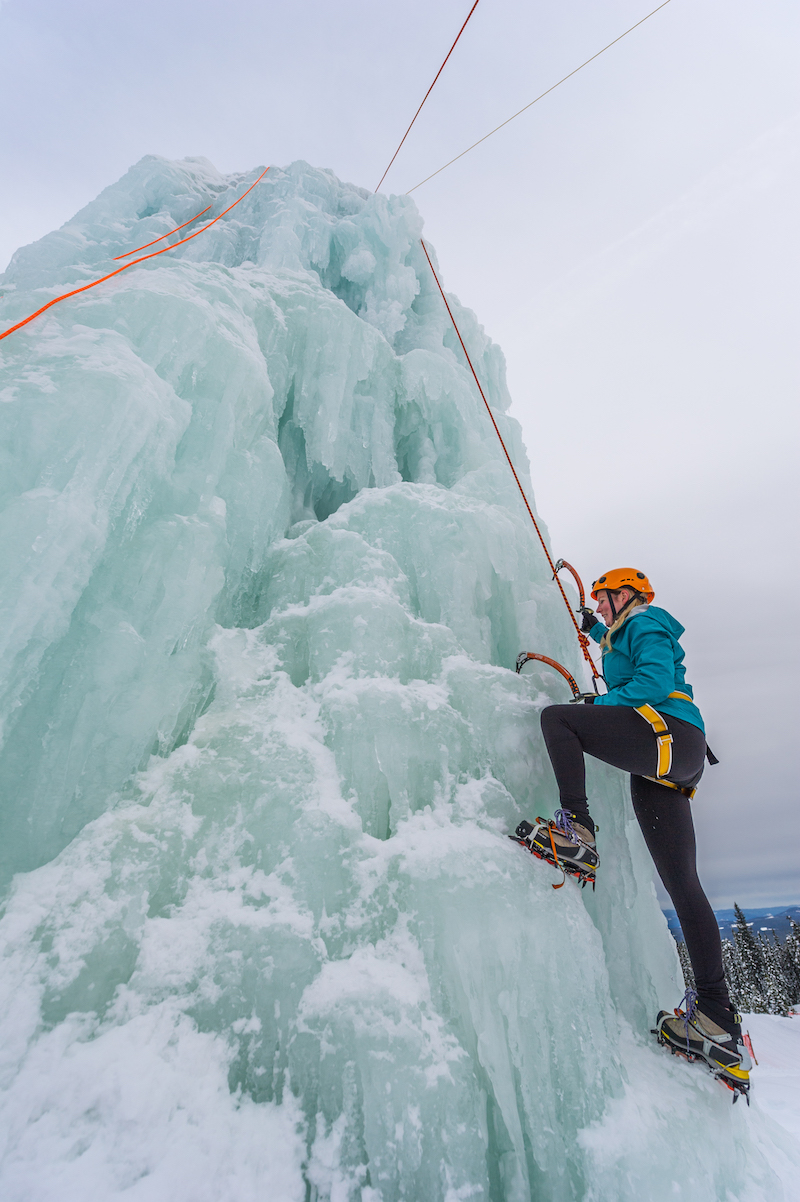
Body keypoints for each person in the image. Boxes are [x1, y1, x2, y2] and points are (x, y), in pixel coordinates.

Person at [521, 567, 751, 1094]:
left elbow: (651, 683)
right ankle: (716, 1017)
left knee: (560, 720)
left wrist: (597, 705)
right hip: (675, 756)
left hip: (667, 732)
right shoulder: (627, 629)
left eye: (603, 601)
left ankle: (576, 830)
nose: (601, 609)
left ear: (627, 596)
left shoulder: (646, 621)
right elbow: (620, 646)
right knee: (683, 885)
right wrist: (595, 632)